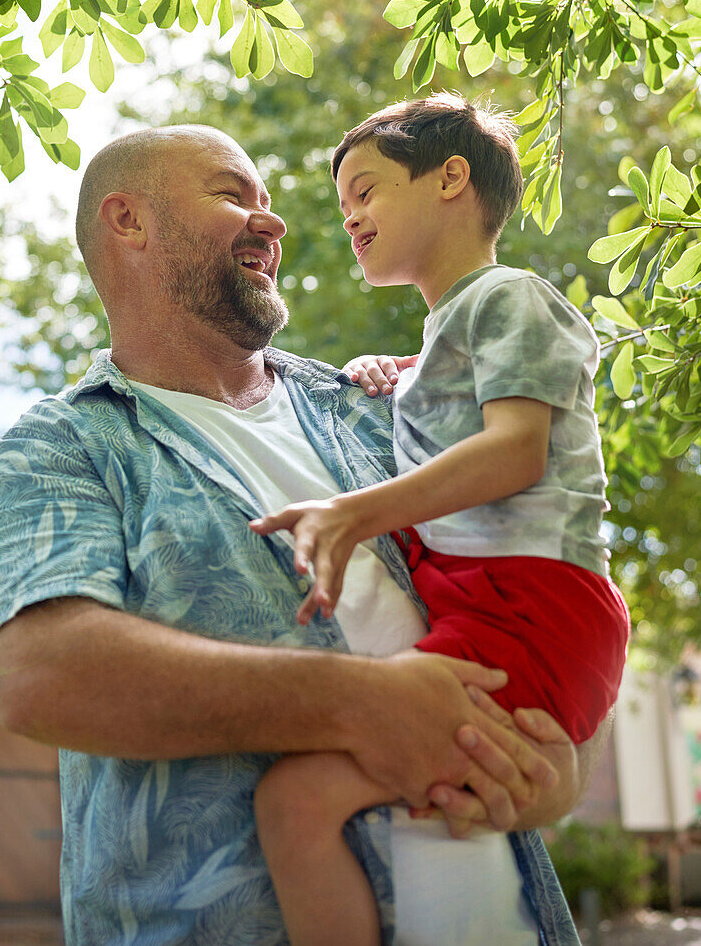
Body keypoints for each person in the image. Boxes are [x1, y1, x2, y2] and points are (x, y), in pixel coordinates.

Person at [0, 123, 600, 946]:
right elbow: (41, 673)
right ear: (129, 222)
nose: (274, 223)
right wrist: (363, 707)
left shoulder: (381, 411)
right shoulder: (68, 446)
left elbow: (544, 587)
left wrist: (554, 780)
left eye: (268, 202)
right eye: (235, 196)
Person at [250, 95, 630, 946]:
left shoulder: (511, 296)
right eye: (345, 204)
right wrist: (405, 370)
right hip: (496, 596)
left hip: (529, 599)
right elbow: (460, 397)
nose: (350, 217)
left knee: (294, 800)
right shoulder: (458, 325)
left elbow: (515, 454)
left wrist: (356, 512)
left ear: (452, 177)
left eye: (367, 190)